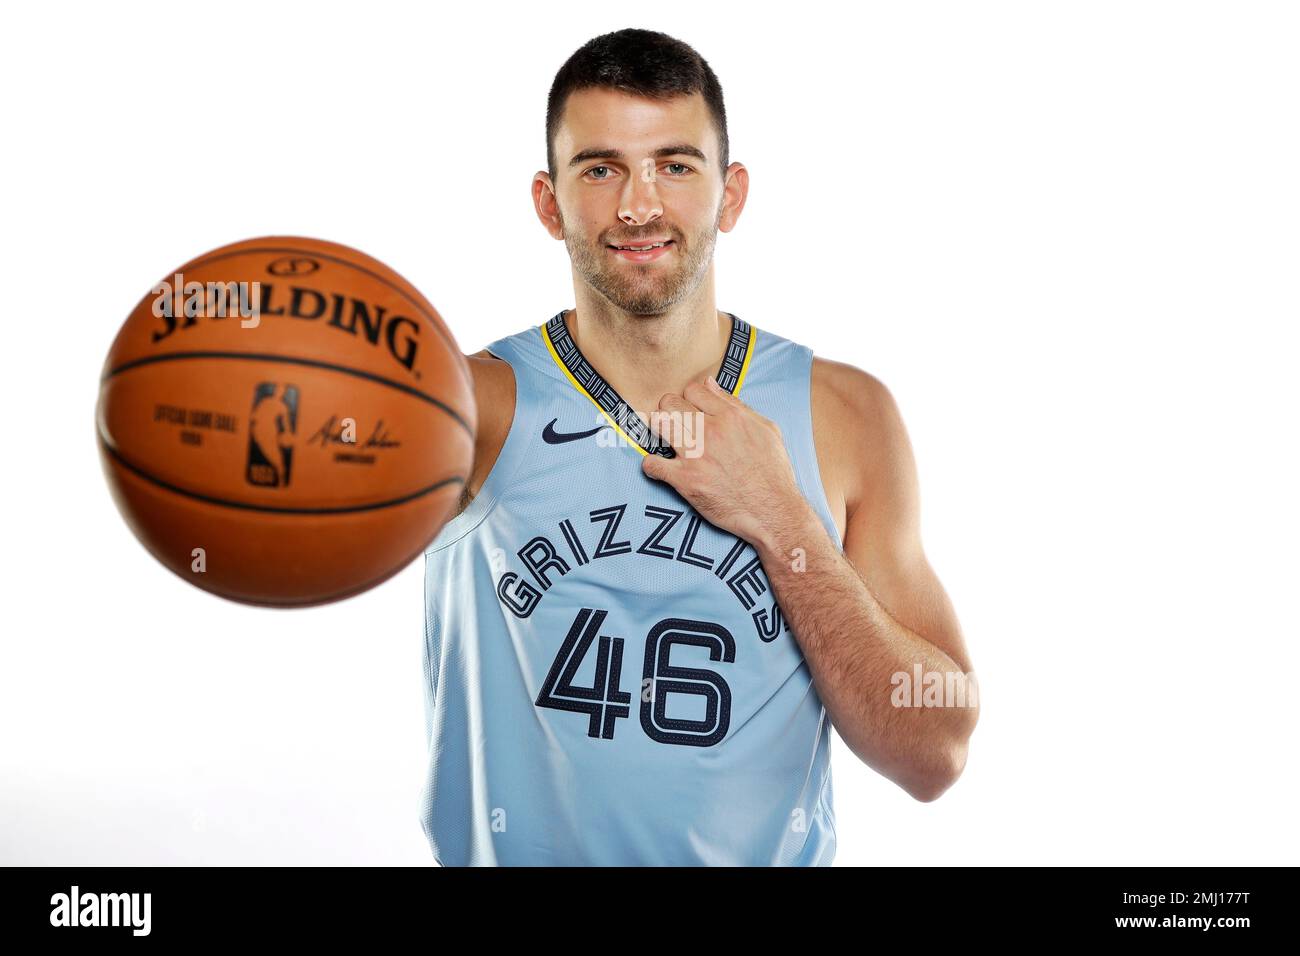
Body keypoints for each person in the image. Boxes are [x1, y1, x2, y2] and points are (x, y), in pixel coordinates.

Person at [419, 27, 978, 866]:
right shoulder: (460, 406)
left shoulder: (844, 416)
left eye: (675, 166)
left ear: (731, 194)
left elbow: (934, 752)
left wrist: (781, 517)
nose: (639, 205)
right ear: (548, 202)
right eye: (600, 168)